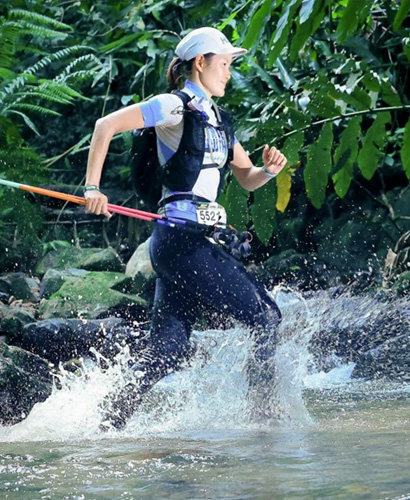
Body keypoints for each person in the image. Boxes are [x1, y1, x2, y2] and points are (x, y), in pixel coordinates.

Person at [79, 27, 289, 429]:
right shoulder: (173, 107)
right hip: (181, 241)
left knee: (166, 352)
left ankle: (104, 426)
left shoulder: (221, 121)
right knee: (266, 317)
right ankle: (264, 420)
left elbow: (246, 177)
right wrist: (93, 188)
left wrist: (268, 170)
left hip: (186, 244)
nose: (229, 73)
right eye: (224, 64)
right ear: (200, 63)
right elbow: (104, 126)